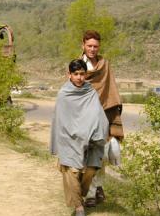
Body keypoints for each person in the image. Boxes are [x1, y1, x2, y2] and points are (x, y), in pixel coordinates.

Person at [50, 59, 109, 216]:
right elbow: (61, 121)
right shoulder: (63, 94)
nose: (79, 77)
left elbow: (98, 115)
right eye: (75, 74)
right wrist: (73, 134)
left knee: (90, 171)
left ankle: (78, 196)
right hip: (69, 140)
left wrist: (96, 132)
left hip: (91, 140)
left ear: (86, 74)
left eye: (82, 74)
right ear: (69, 74)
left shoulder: (90, 92)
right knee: (72, 172)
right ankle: (78, 207)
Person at [80, 30, 124, 207]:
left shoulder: (105, 65)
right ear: (83, 44)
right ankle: (90, 194)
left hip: (104, 115)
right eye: (89, 45)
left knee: (102, 155)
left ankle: (98, 188)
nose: (92, 49)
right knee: (89, 156)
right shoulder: (78, 66)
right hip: (85, 117)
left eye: (95, 46)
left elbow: (110, 89)